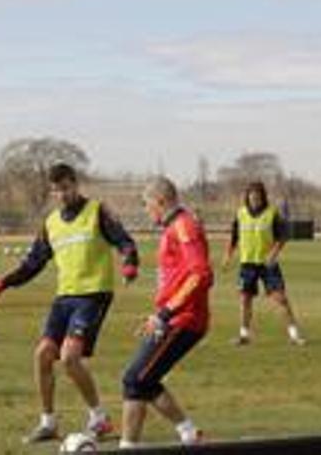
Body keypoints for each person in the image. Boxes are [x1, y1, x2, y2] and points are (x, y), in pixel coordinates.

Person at [0, 163, 139, 443]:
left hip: (94, 294)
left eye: (66, 187)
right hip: (64, 297)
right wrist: (5, 283)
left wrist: (129, 265)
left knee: (69, 357)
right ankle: (48, 423)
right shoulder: (51, 223)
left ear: (76, 185)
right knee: (43, 355)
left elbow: (125, 242)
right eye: (56, 190)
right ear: (51, 191)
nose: (62, 194)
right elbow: (33, 263)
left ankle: (99, 419)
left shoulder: (97, 212)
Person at [119, 176, 211, 449]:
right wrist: (158, 314)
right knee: (144, 379)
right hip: (173, 316)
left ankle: (129, 446)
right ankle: (189, 434)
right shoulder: (175, 226)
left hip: (184, 319)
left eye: (148, 205)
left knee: (135, 379)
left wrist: (164, 314)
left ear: (160, 201)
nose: (148, 212)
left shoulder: (183, 226)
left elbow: (200, 274)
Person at [222, 181, 306, 346]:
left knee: (280, 298)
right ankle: (244, 335)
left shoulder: (272, 213)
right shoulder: (240, 214)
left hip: (268, 265)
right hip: (247, 264)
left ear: (262, 197)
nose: (254, 199)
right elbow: (234, 237)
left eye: (257, 196)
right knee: (245, 300)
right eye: (251, 196)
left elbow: (283, 236)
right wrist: (228, 256)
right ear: (247, 197)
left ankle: (294, 335)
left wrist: (274, 254)